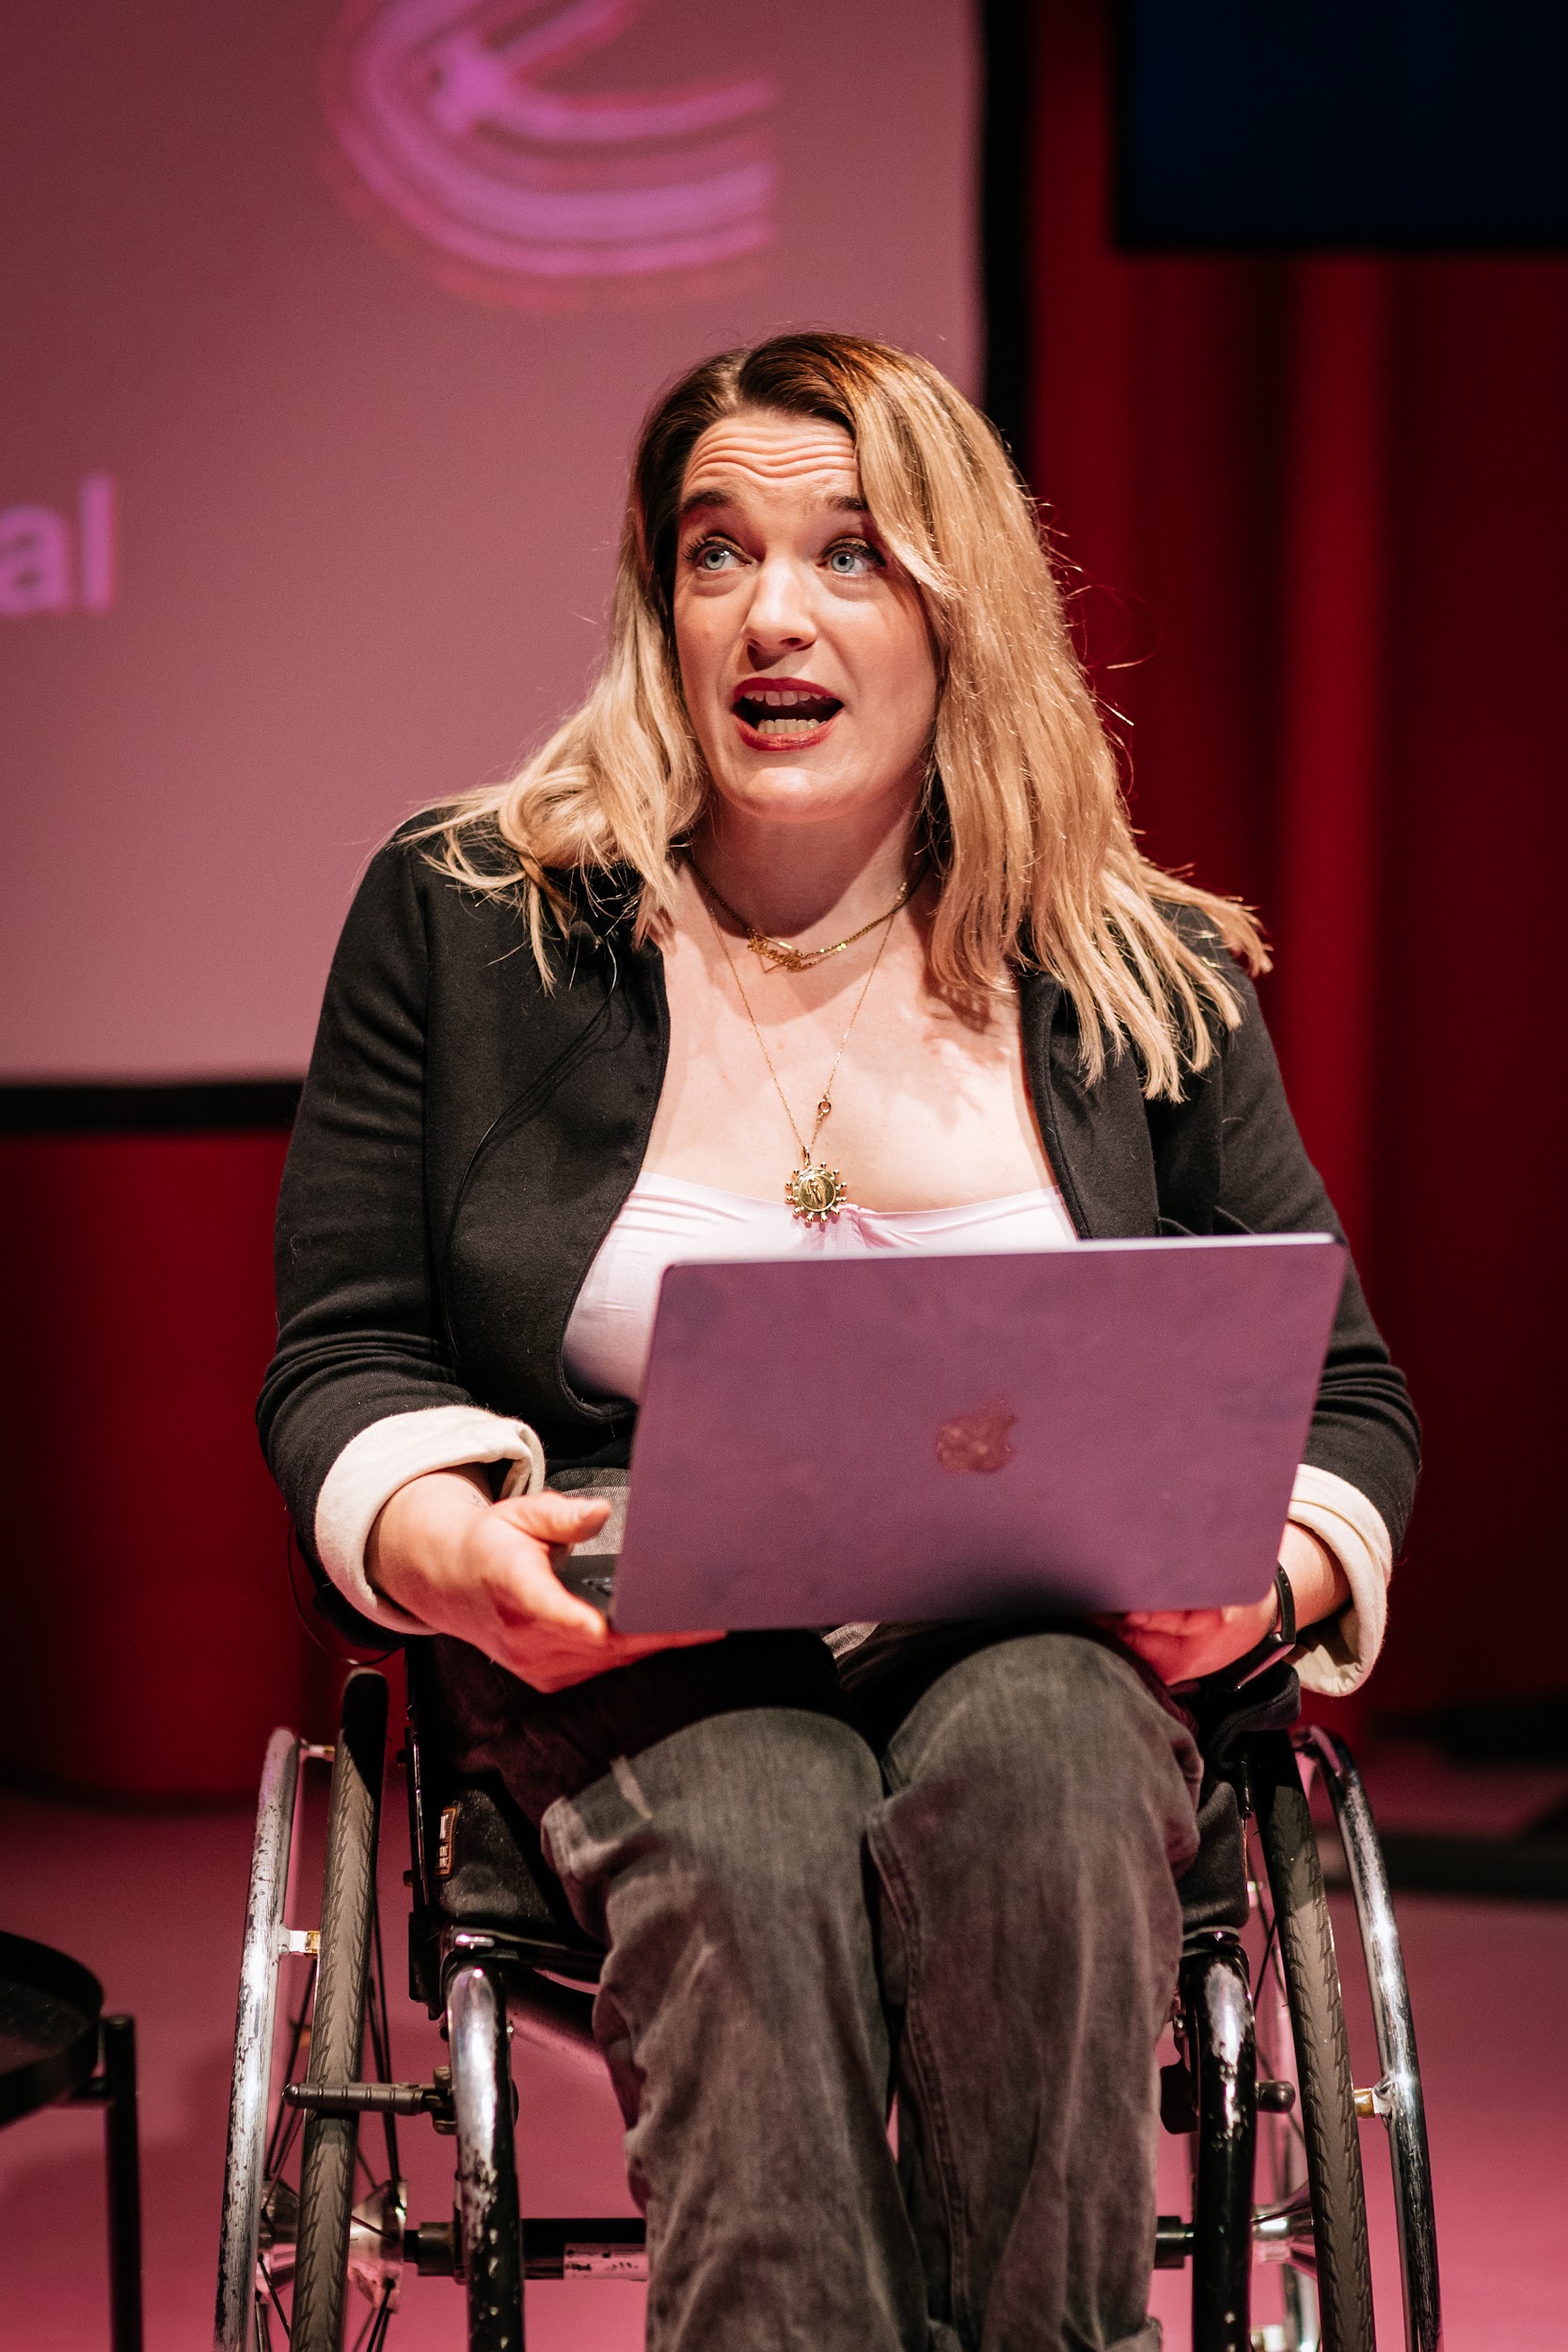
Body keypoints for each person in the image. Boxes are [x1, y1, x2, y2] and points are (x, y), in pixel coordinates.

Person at [259, 332, 1418, 2351]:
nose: (770, 612)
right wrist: (455, 1550)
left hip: (1048, 1647)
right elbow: (342, 1354)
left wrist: (1272, 1568)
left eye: (849, 554)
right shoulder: (467, 915)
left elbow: (1346, 1394)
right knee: (752, 1809)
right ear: (659, 598)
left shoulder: (1132, 964)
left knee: (1054, 1752)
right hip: (639, 1653)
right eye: (717, 552)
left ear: (961, 607)